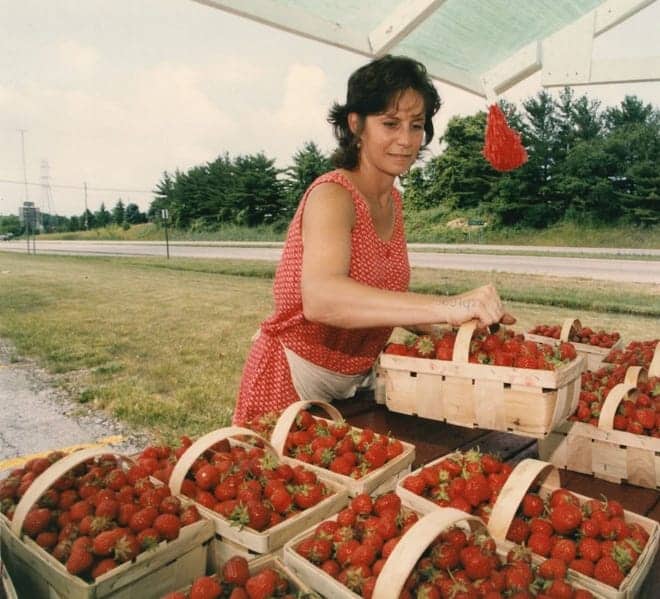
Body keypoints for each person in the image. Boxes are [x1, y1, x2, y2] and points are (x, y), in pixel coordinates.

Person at [233, 55, 513, 425]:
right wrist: (446, 305)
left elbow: (376, 295)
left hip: (357, 385)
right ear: (356, 125)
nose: (406, 140)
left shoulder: (392, 200)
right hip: (291, 382)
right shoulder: (333, 195)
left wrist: (451, 326)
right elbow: (322, 299)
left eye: (416, 125)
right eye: (390, 123)